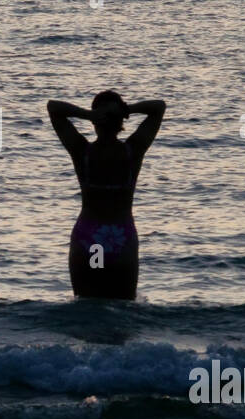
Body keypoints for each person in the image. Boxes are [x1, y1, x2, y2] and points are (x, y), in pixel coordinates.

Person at [46, 92, 165, 299]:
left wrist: (87, 114)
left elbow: (54, 108)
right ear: (121, 122)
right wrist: (127, 110)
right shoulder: (133, 150)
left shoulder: (81, 151)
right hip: (122, 241)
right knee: (124, 308)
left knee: (88, 304)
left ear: (95, 121)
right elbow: (158, 107)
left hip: (92, 242)